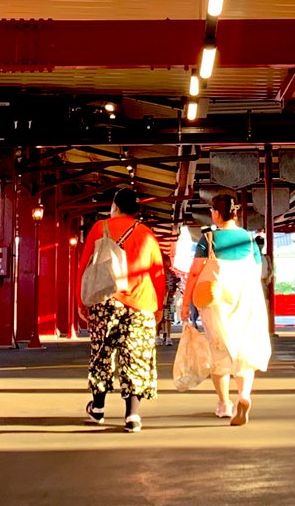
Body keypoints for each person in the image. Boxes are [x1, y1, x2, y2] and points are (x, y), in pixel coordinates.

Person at [77, 186, 166, 433]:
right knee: (135, 357)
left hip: (105, 301)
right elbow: (158, 273)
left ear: (114, 205)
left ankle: (98, 409)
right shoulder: (147, 234)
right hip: (140, 304)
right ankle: (132, 416)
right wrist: (158, 306)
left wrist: (81, 301)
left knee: (101, 354)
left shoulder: (99, 228)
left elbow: (85, 266)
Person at [179, 192, 269, 426]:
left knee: (218, 348)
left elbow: (195, 272)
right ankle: (244, 396)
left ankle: (224, 404)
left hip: (216, 300)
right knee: (243, 349)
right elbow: (258, 271)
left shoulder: (208, 239)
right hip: (246, 298)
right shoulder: (249, 240)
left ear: (217, 213)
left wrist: (186, 302)